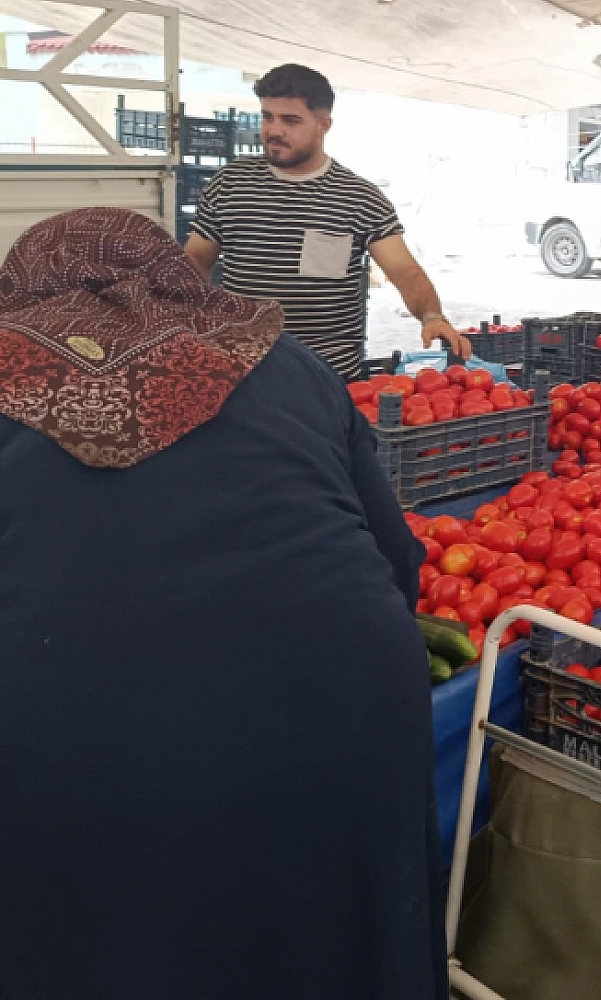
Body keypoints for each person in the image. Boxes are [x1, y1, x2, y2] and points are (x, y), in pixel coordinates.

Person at [0, 209, 443, 1000]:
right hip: (338, 694)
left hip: (60, 720)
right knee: (329, 938)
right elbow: (398, 566)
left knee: (88, 942)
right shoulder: (287, 363)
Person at [184, 63, 470, 379]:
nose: (274, 130)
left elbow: (404, 271)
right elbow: (195, 260)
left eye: (291, 120)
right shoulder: (229, 185)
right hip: (240, 374)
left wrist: (431, 315)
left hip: (329, 378)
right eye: (268, 117)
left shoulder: (360, 199)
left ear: (324, 124)